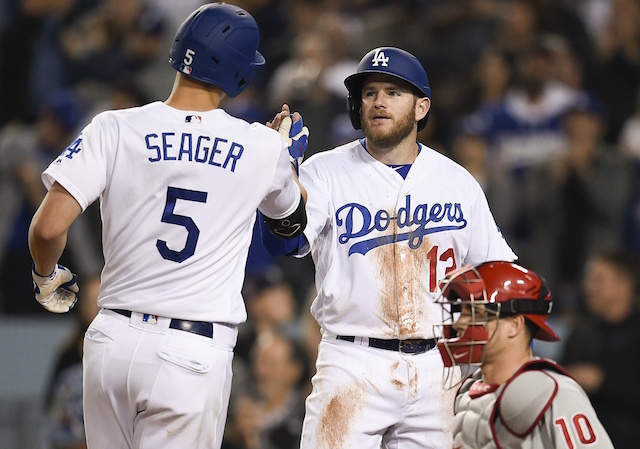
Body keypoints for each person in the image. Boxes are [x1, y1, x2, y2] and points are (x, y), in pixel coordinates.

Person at [27, 3, 308, 449]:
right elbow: (291, 223)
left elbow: (46, 229)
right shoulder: (260, 145)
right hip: (190, 352)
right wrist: (287, 161)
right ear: (239, 72)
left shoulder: (114, 126)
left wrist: (46, 278)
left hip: (111, 342)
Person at [259, 46, 516, 449]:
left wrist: (507, 362)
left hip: (439, 367)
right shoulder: (324, 172)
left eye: (394, 92)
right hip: (352, 361)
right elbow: (286, 242)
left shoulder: (457, 181)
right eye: (370, 92)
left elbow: (500, 276)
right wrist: (280, 189)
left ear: (421, 107)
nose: (379, 102)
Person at [435, 260, 614, 449]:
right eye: (462, 312)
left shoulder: (552, 393)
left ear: (515, 325)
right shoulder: (468, 390)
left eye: (475, 313)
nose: (459, 324)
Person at [560, 248, 640, 449]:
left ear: (624, 286)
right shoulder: (581, 332)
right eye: (588, 279)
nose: (589, 287)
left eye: (598, 280)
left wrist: (603, 382)